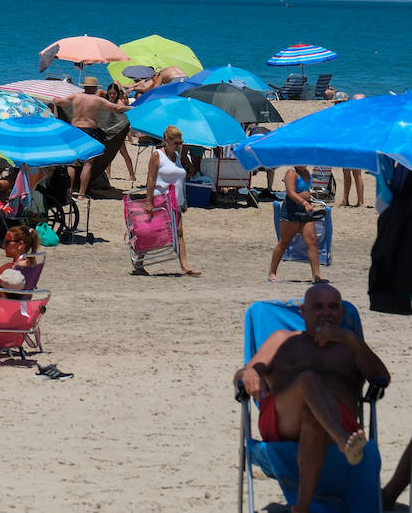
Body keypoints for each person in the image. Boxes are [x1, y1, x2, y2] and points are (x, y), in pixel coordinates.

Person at [235, 283, 388, 513]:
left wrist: (352, 340)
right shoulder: (282, 339)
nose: (326, 312)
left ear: (342, 313)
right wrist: (248, 372)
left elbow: (381, 378)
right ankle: (341, 439)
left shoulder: (351, 348)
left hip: (334, 418)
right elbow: (244, 373)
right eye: (318, 307)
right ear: (304, 313)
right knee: (308, 379)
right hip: (283, 421)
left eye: (333, 307)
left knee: (314, 417)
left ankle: (302, 508)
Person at [130, 124, 199, 276]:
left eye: (180, 143)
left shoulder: (178, 157)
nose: (178, 146)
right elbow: (150, 179)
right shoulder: (157, 155)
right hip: (159, 199)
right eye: (175, 143)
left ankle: (185, 266)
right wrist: (148, 201)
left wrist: (183, 202)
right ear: (166, 140)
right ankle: (139, 262)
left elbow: (180, 182)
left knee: (179, 232)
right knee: (151, 231)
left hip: (175, 201)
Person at [55, 76, 131, 200]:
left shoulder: (75, 97)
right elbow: (117, 108)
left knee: (72, 163)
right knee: (88, 164)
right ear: (95, 87)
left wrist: (54, 97)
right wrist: (131, 108)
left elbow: (58, 102)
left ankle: (68, 193)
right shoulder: (96, 100)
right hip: (89, 132)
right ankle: (81, 194)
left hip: (74, 131)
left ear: (84, 86)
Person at [269, 165, 327, 285]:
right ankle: (272, 272)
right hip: (290, 212)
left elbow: (307, 191)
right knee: (284, 242)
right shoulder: (291, 173)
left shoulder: (306, 172)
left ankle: (316, 275)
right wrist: (304, 201)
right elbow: (290, 193)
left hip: (305, 212)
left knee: (312, 241)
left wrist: (309, 198)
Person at [104, 83, 136, 182]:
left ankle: (132, 175)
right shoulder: (107, 101)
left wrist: (128, 135)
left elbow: (126, 117)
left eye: (113, 94)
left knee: (124, 153)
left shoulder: (119, 103)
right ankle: (108, 174)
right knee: (107, 153)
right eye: (110, 94)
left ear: (117, 93)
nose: (112, 96)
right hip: (109, 131)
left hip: (118, 132)